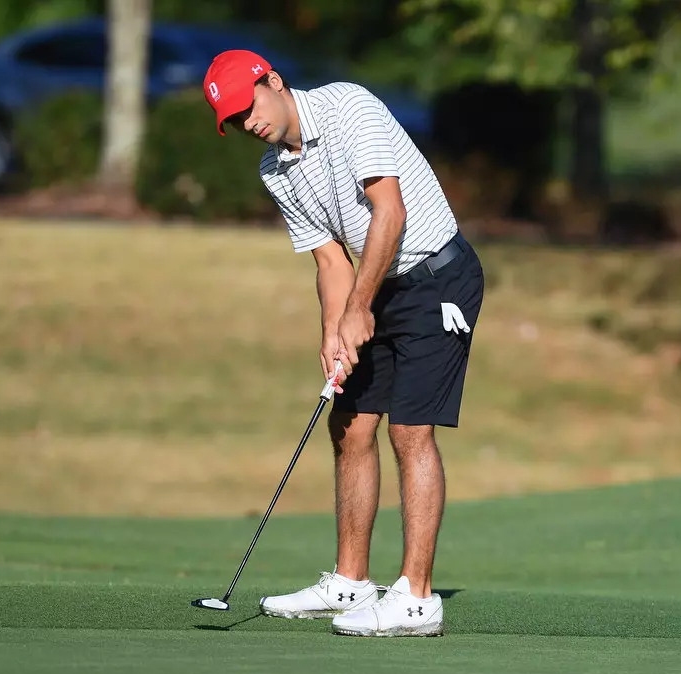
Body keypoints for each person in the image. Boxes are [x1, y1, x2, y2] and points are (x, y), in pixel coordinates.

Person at [202, 50, 484, 637]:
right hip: (377, 282)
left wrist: (360, 308)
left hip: (438, 275)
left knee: (410, 429)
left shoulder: (349, 107)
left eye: (247, 107)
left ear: (273, 82)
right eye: (232, 122)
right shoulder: (275, 171)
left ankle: (416, 598)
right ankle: (351, 581)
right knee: (350, 423)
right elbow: (331, 259)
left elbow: (390, 213)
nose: (245, 124)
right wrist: (333, 334)